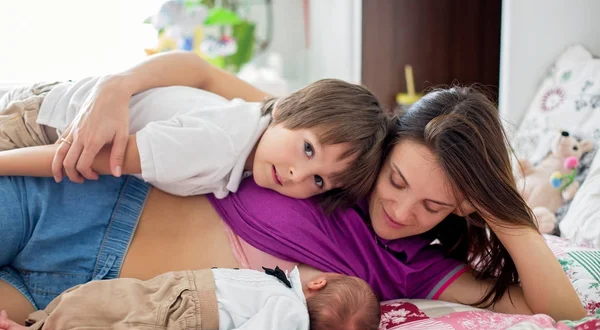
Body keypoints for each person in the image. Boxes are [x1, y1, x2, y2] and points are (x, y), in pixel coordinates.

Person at [0, 52, 585, 325]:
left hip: (67, 293)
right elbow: (202, 74)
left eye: (434, 206)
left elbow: (558, 310)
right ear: (381, 149)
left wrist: (504, 210)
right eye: (398, 180)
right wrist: (118, 87)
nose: (403, 211)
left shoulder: (414, 265)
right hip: (75, 198)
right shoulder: (319, 147)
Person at [0, 77, 391, 208]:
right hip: (44, 125)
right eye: (308, 149)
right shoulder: (215, 146)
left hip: (57, 109)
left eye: (319, 181)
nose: (296, 175)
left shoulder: (255, 130)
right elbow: (82, 157)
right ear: (290, 109)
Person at [0, 266, 381, 330]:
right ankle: (36, 324)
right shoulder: (283, 291)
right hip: (181, 291)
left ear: (320, 283)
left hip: (188, 312)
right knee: (100, 295)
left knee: (111, 317)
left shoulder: (290, 312)